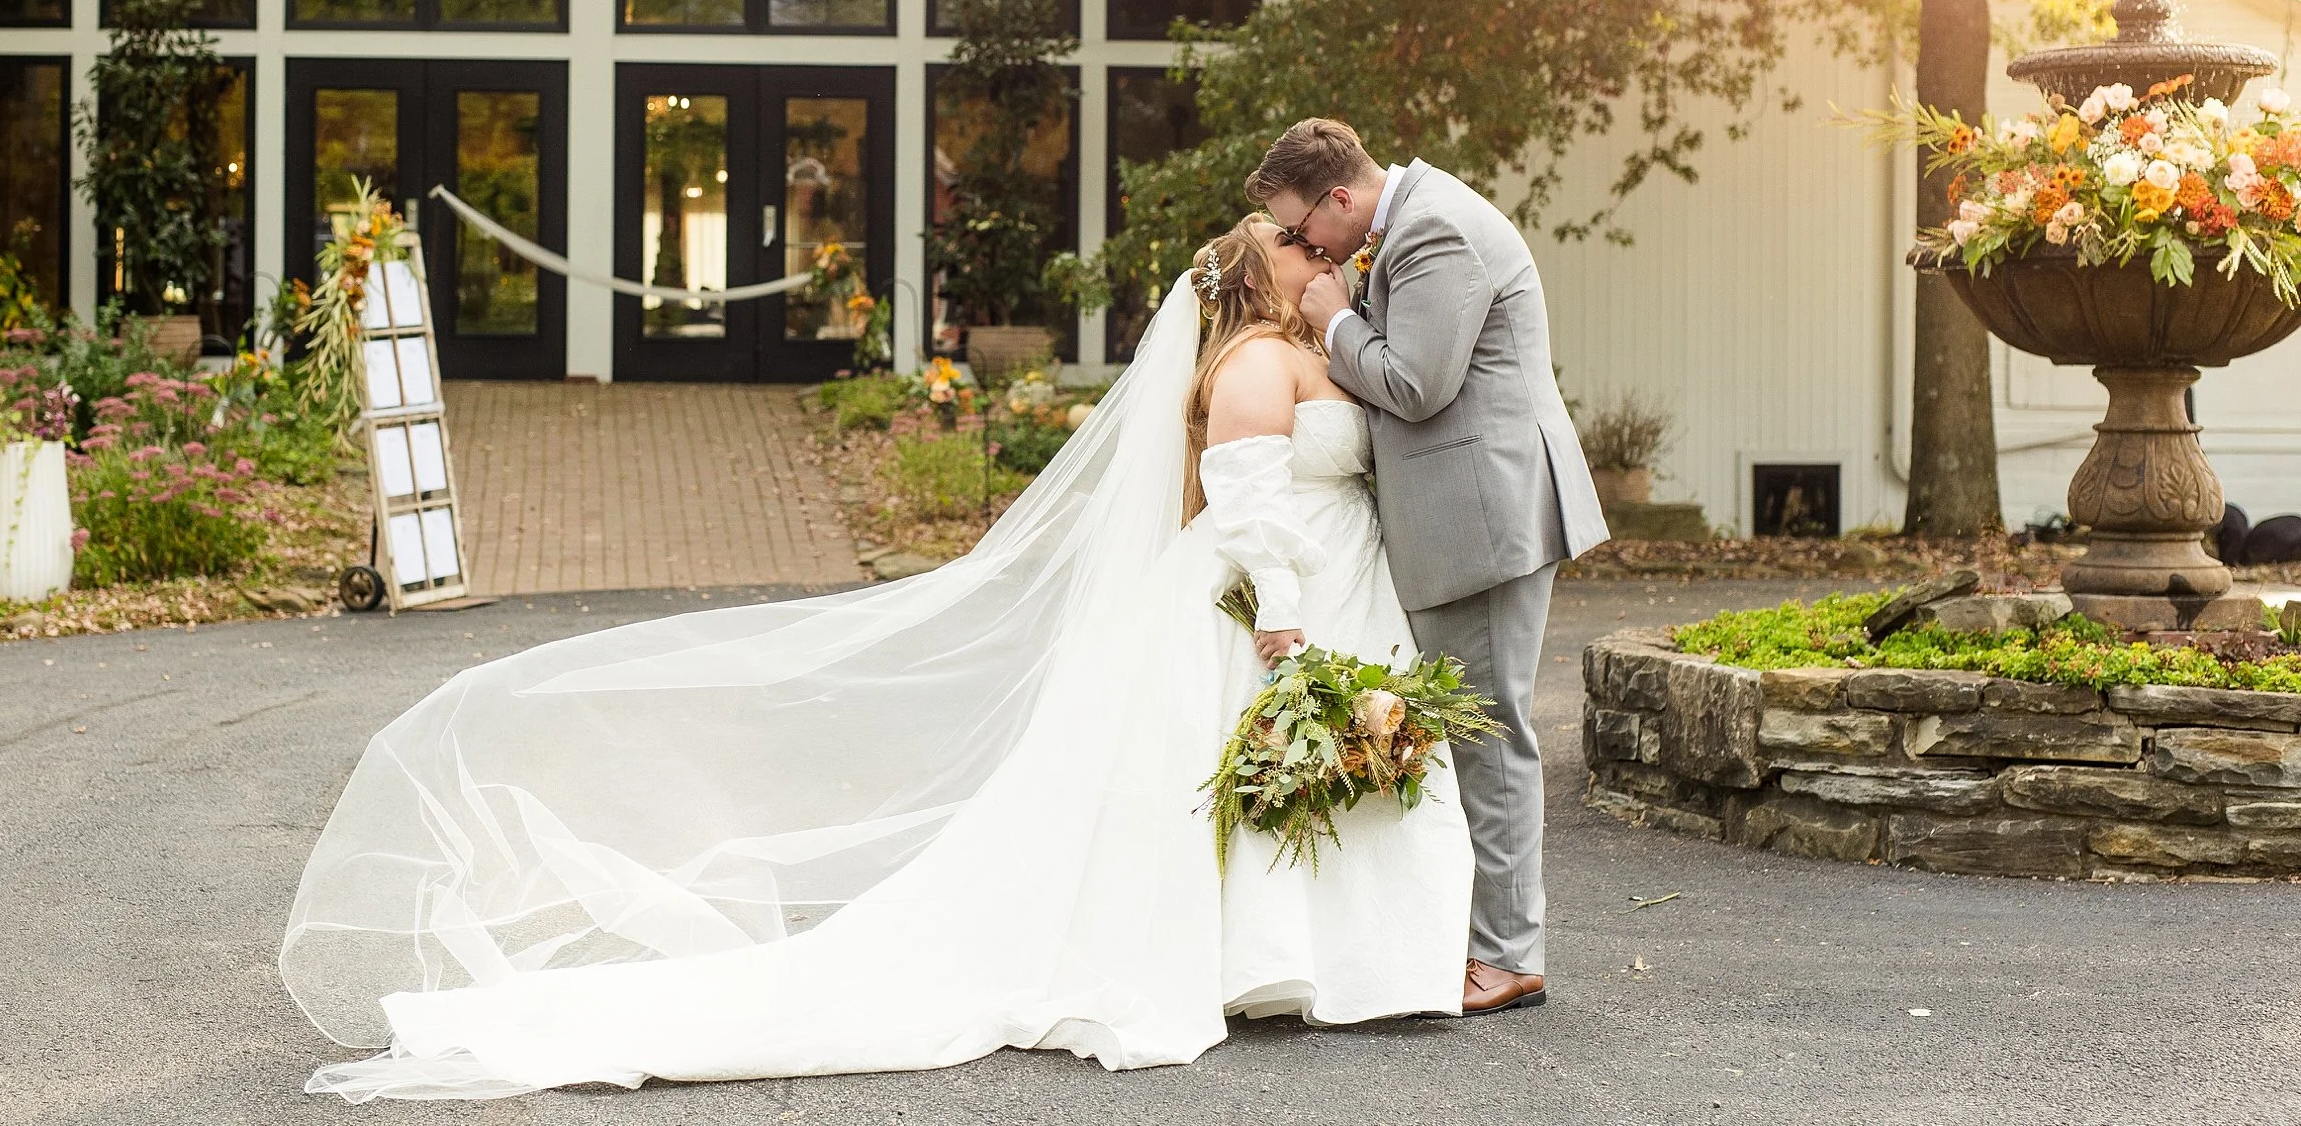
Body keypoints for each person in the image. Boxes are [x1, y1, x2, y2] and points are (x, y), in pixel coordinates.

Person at [280, 218, 1471, 1100]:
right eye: (1304, 252)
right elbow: (1249, 498)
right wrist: (1280, 619)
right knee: (1250, 781)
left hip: (1317, 588)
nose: (1330, 262)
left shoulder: (1302, 343)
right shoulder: (1265, 361)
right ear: (1265, 275)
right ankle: (1277, 963)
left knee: (1262, 789)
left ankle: (1312, 961)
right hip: (1273, 600)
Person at [1252, 117, 1607, 1017]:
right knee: (1472, 731)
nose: (1305, 249)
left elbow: (1415, 383)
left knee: (1491, 735)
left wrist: (1333, 319)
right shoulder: (1407, 224)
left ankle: (1510, 953)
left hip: (1485, 520)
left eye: (1302, 228)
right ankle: (1478, 936)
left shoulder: (1436, 227)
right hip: (1464, 515)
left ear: (1340, 197)